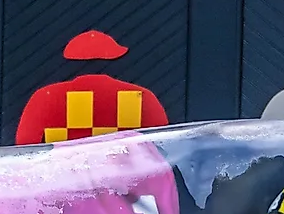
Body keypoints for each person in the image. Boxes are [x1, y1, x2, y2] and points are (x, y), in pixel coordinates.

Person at [13, 30, 170, 144]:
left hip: (64, 183)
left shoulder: (46, 97)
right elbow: (164, 145)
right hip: (128, 186)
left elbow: (25, 147)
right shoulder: (142, 96)